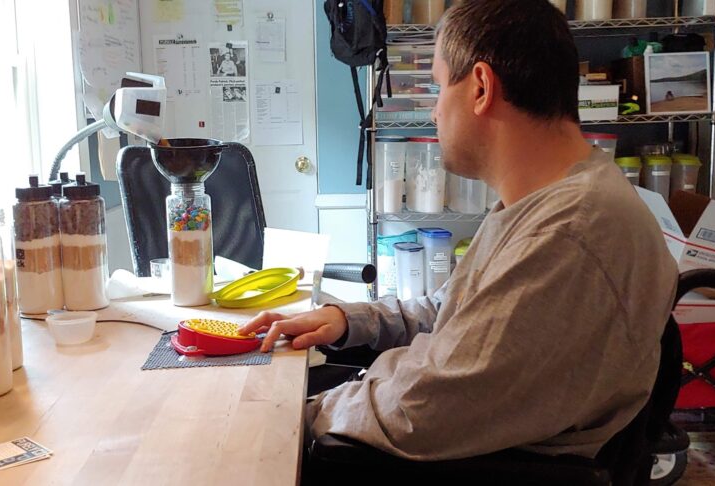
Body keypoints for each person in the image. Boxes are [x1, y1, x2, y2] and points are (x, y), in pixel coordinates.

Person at [238, 0, 678, 462]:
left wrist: (296, 415)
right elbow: (453, 311)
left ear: (481, 88)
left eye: (437, 87)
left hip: (486, 464)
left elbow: (422, 408)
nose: (432, 112)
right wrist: (352, 320)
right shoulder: (543, 202)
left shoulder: (567, 232)